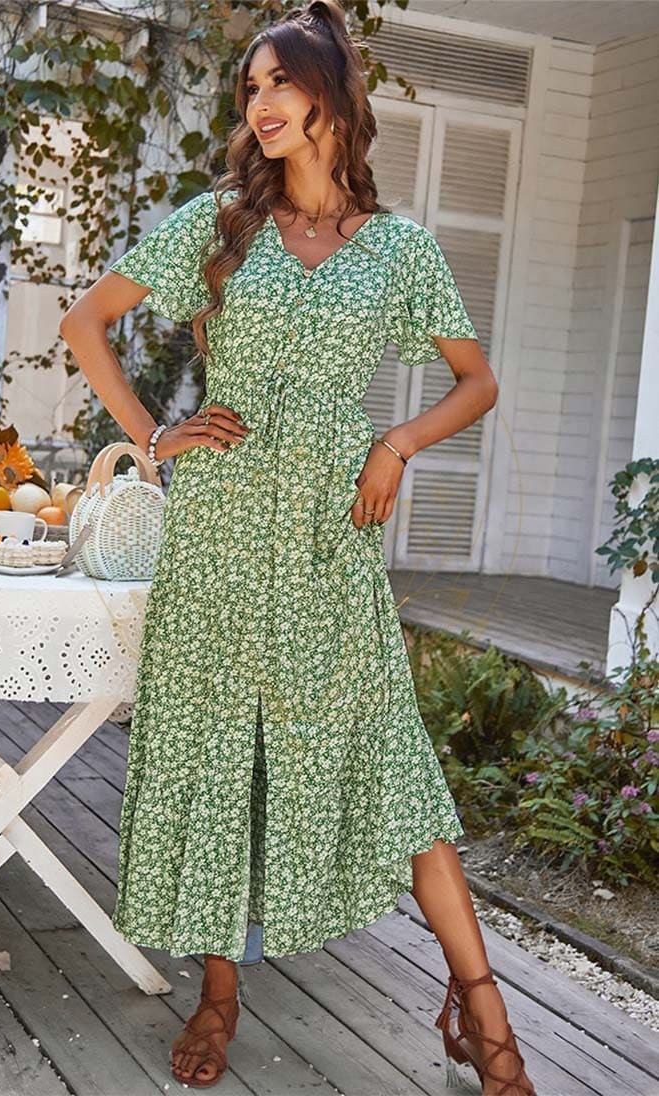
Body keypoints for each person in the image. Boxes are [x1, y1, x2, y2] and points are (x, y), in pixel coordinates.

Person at [59, 2, 536, 1092]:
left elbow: (477, 381)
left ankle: (485, 1016)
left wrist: (398, 443)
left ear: (331, 97)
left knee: (392, 765)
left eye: (280, 82)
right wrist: (153, 438)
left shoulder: (399, 249)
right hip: (221, 541)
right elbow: (86, 321)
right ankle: (219, 995)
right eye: (251, 88)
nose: (261, 103)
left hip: (332, 543)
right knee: (220, 757)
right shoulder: (221, 224)